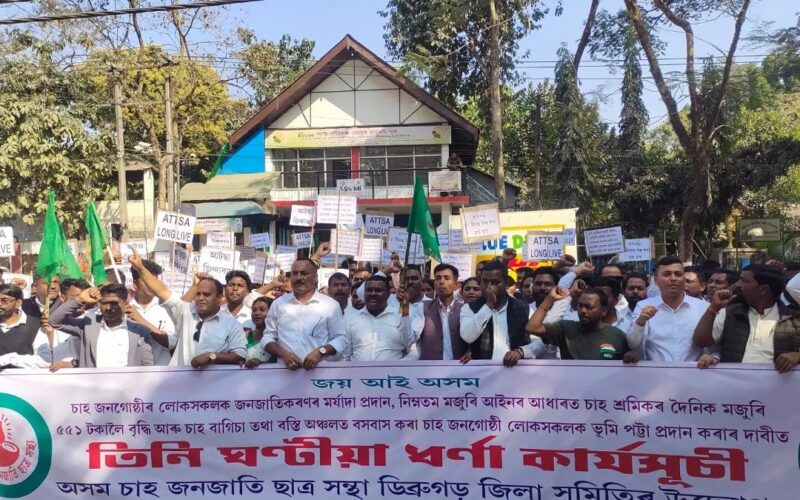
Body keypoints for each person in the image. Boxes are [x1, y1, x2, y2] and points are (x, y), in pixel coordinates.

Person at [127, 253, 246, 368]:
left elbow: (239, 355)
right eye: (198, 294)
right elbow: (161, 291)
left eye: (206, 294)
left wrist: (211, 356)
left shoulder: (231, 325)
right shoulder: (185, 311)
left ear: (219, 298)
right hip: (180, 380)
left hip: (214, 382)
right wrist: (141, 268)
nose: (201, 298)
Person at [694, 265, 800, 373]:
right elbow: (701, 341)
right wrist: (713, 308)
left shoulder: (794, 319)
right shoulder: (729, 313)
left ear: (763, 289)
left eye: (744, 281)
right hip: (734, 381)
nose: (738, 285)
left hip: (777, 383)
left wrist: (797, 356)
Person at [262, 258, 348, 370]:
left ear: (315, 277)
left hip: (319, 373)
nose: (299, 278)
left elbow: (340, 339)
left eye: (304, 273)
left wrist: (320, 352)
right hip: (285, 373)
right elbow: (268, 338)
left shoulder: (330, 305)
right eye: (295, 273)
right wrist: (283, 354)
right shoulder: (278, 304)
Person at [460, 261, 545, 366]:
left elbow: (540, 343)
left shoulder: (523, 308)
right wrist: (488, 306)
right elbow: (467, 337)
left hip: (515, 371)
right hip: (484, 372)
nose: (489, 287)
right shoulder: (469, 308)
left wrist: (521, 352)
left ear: (506, 283)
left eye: (495, 282)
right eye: (484, 281)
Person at [49, 284, 153, 367]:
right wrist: (79, 300)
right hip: (93, 386)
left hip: (126, 386)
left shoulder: (139, 332)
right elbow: (54, 321)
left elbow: (147, 367)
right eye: (104, 303)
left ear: (125, 305)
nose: (108, 308)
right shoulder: (89, 325)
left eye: (114, 303)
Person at [628, 256, 708, 361]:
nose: (673, 278)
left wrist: (712, 357)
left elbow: (713, 348)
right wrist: (640, 322)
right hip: (655, 370)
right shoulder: (643, 307)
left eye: (678, 274)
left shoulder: (703, 307)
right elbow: (633, 345)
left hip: (694, 370)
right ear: (656, 280)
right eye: (667, 274)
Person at [527, 287, 638, 362]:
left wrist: (630, 358)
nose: (583, 311)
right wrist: (550, 298)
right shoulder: (565, 329)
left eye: (589, 307)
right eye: (580, 306)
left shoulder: (618, 336)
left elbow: (630, 363)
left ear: (603, 311)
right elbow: (532, 327)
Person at [0, 279, 90, 369]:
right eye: (76, 298)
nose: (81, 301)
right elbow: (49, 357)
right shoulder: (53, 322)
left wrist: (75, 363)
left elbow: (44, 360)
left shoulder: (91, 322)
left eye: (83, 298)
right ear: (62, 297)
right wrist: (50, 334)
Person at [402, 263, 469, 362]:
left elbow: (472, 339)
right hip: (430, 369)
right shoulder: (423, 308)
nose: (442, 282)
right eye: (438, 278)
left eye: (447, 278)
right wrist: (405, 309)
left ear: (455, 284)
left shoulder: (465, 309)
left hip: (458, 368)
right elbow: (408, 340)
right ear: (434, 284)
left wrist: (470, 351)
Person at [344, 275, 415, 361]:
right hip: (357, 369)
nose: (373, 293)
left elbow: (409, 344)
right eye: (369, 290)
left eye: (378, 290)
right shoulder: (351, 319)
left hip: (392, 369)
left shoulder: (400, 317)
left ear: (388, 294)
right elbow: (345, 355)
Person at [127, 259, 176, 366]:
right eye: (146, 281)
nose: (151, 285)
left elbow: (172, 342)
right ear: (135, 284)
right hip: (133, 372)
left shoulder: (167, 308)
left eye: (154, 281)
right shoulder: (126, 310)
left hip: (161, 372)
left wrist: (141, 321)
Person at [0, 284, 40, 361]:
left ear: (18, 303)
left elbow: (43, 359)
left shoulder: (35, 325)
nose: (0, 304)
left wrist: (7, 360)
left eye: (5, 300)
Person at [242, 296, 273, 369]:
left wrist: (261, 361)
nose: (257, 313)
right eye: (254, 310)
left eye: (262, 310)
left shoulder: (277, 336)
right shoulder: (247, 335)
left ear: (272, 312)